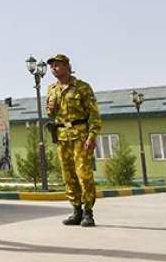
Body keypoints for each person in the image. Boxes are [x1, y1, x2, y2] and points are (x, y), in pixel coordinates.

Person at [45, 54, 101, 227]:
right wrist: (50, 109)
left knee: (84, 174)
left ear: (67, 66)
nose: (54, 68)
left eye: (58, 65)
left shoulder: (82, 87)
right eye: (52, 66)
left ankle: (88, 212)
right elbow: (51, 113)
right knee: (68, 175)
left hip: (80, 135)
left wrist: (92, 136)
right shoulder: (52, 89)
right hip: (62, 137)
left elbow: (94, 114)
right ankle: (76, 210)